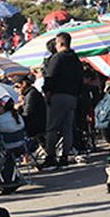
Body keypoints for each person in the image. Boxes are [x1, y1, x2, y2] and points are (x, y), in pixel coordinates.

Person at [41, 30, 84, 167]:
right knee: (67, 128)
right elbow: (80, 78)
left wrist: (47, 92)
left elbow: (50, 77)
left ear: (60, 43)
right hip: (72, 96)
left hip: (58, 95)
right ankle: (65, 155)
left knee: (52, 128)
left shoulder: (57, 58)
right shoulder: (76, 59)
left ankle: (50, 156)